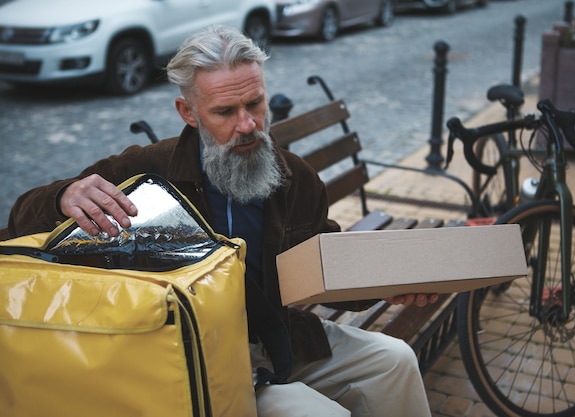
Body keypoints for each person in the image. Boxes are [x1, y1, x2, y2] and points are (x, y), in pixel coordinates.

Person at [7, 25, 436, 417]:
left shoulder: (295, 176)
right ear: (189, 113)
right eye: (225, 112)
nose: (247, 125)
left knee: (394, 361)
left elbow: (323, 268)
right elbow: (19, 224)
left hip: (279, 335)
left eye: (255, 104)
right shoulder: (145, 174)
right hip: (196, 352)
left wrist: (387, 288)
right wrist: (62, 195)